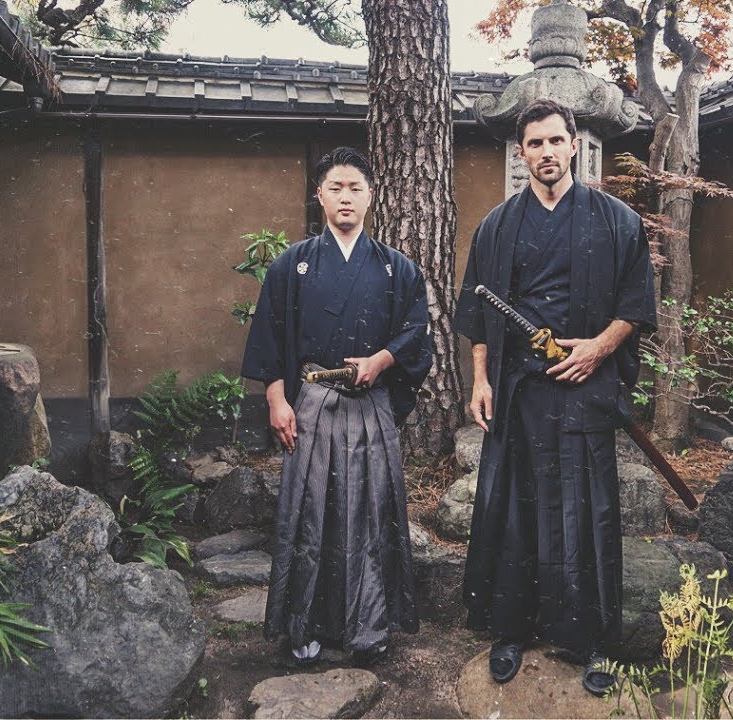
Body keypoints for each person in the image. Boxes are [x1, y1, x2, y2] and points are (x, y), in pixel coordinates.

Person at [452, 99, 657, 695]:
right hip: (518, 391)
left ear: (575, 146)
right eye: (534, 143)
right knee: (514, 511)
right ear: (521, 153)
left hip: (583, 387)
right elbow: (477, 315)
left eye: (555, 141)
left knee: (586, 514)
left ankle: (590, 640)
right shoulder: (497, 226)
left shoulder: (616, 220)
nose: (546, 152)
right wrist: (481, 380)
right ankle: (510, 630)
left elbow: (636, 305)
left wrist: (598, 348)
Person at [242, 146, 433, 667]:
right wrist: (276, 399)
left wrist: (383, 359)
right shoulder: (292, 264)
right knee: (310, 514)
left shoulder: (397, 268)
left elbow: (417, 332)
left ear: (371, 196)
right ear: (320, 196)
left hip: (370, 403)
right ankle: (305, 626)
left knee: (372, 513)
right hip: (312, 403)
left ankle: (369, 626)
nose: (346, 197)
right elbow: (269, 335)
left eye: (355, 188)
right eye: (335, 188)